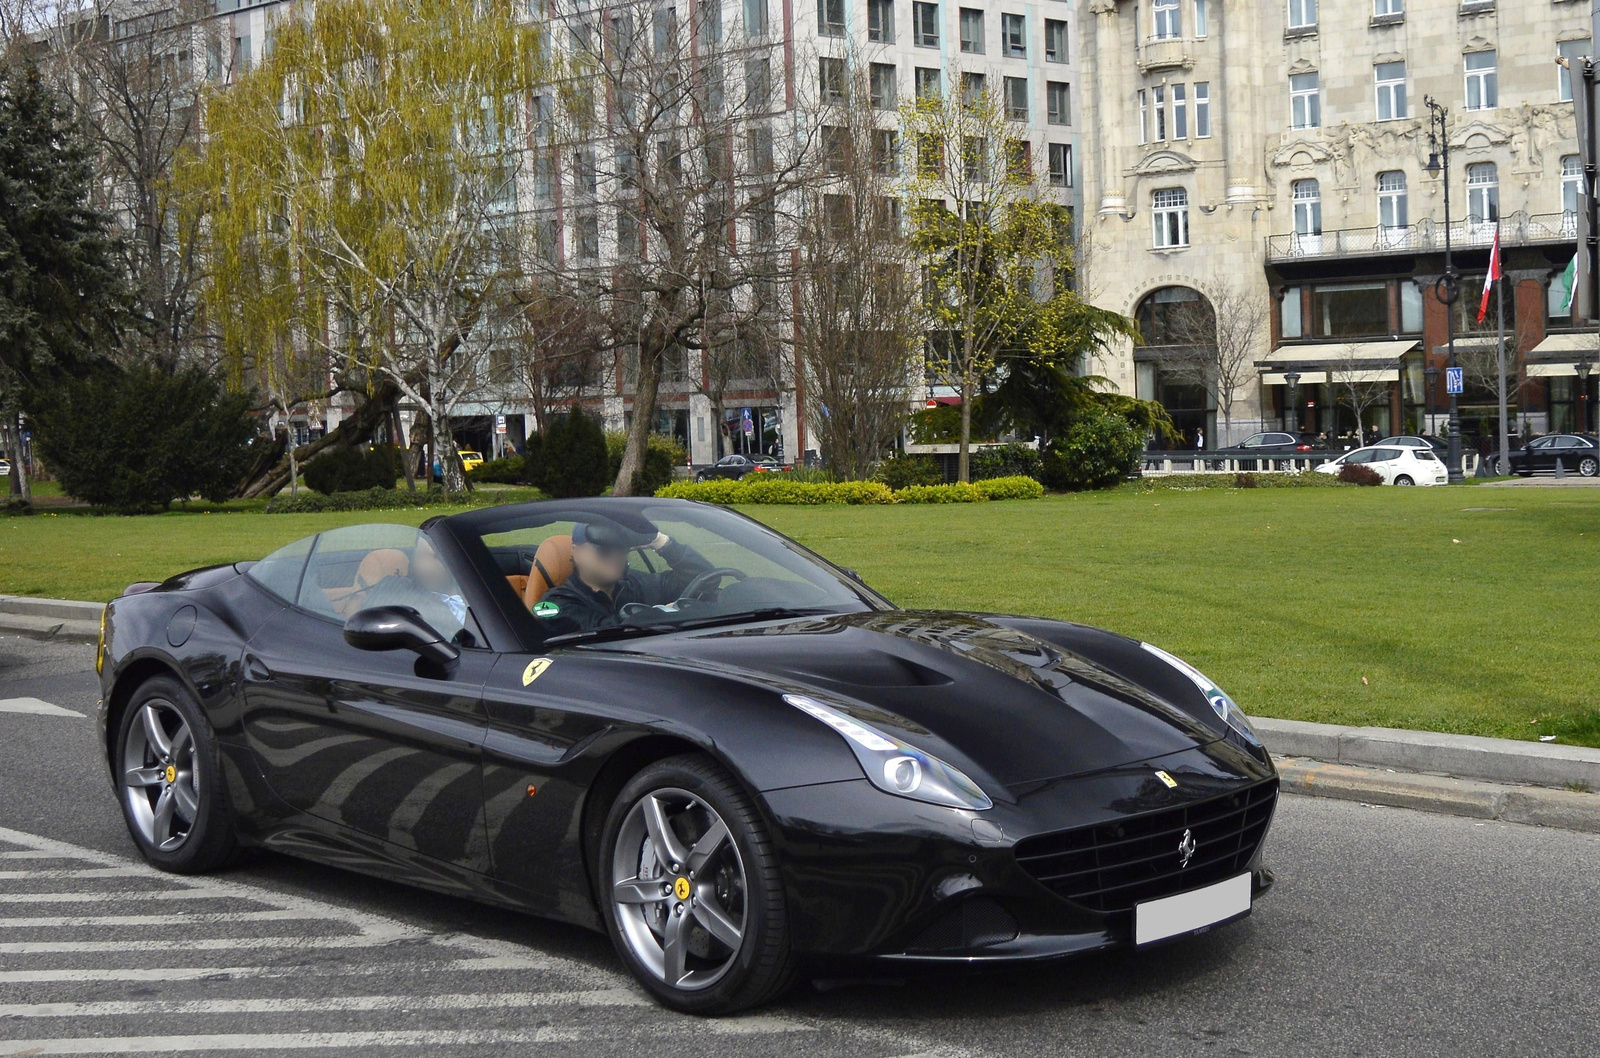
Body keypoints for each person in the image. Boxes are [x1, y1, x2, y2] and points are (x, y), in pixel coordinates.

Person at [536, 520, 713, 635]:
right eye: (603, 549)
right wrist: (662, 613)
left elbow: (706, 580)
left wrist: (660, 541)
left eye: (621, 547)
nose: (615, 555)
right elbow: (604, 630)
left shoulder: (635, 584)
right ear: (577, 553)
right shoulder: (557, 603)